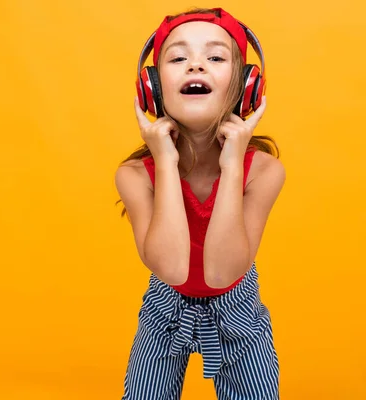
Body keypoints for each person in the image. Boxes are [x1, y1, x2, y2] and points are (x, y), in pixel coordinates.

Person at [114, 7, 286, 400]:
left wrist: (232, 165)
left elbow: (222, 273)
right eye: (177, 58)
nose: (195, 66)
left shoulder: (264, 171)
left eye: (215, 57)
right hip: (164, 308)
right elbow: (173, 268)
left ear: (246, 87)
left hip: (238, 311)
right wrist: (166, 161)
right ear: (152, 88)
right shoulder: (135, 175)